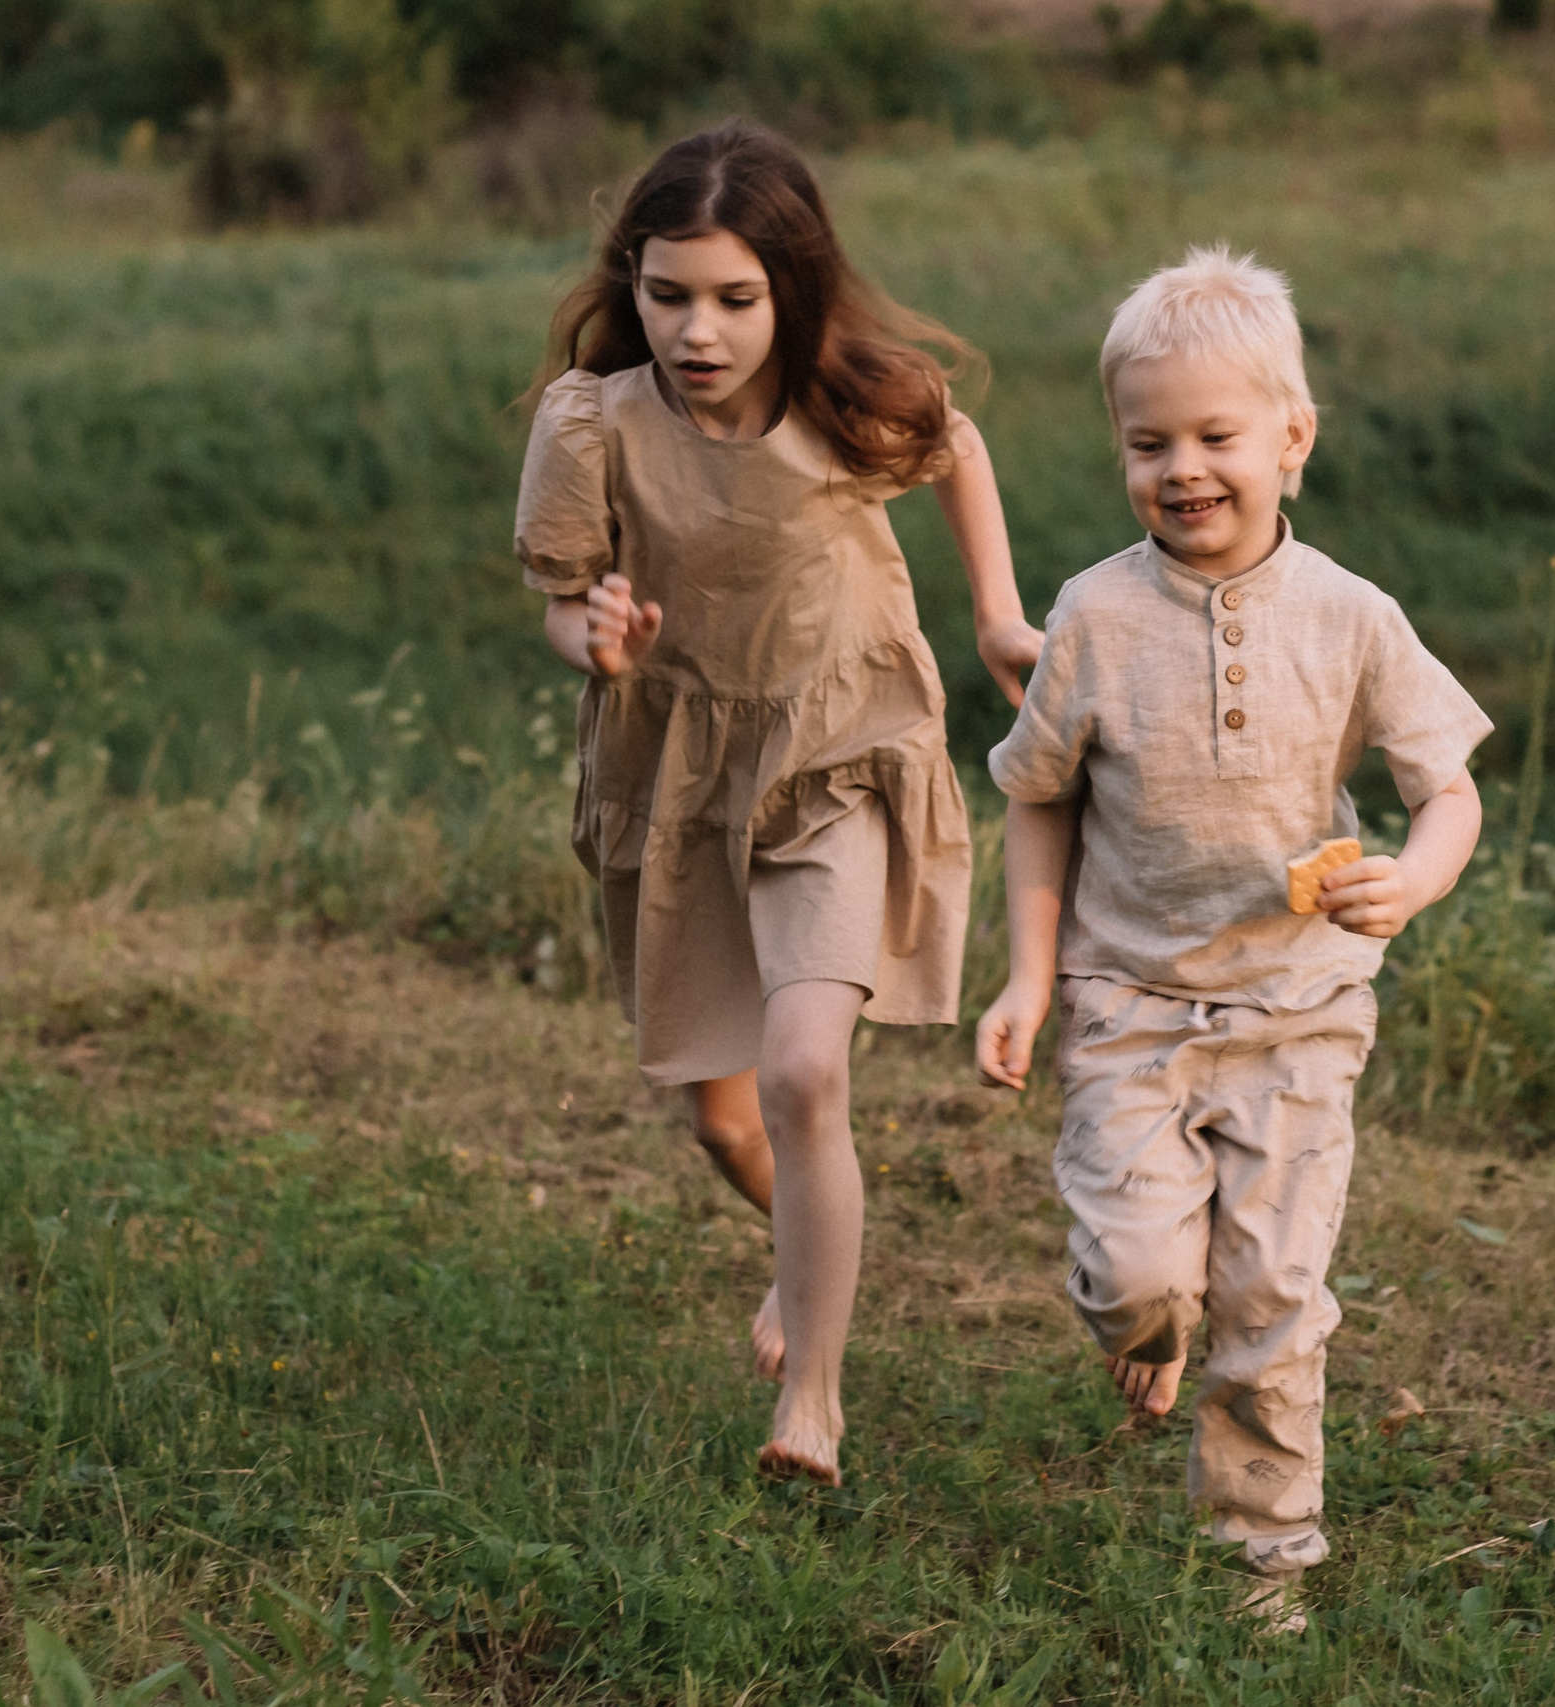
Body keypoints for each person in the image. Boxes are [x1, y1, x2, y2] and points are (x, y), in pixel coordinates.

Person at [513, 121, 1043, 1485]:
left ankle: (813, 1399)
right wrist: (600, 636)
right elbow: (564, 609)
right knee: (728, 1120)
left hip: (840, 753)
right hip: (683, 769)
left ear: (789, 291)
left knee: (809, 1073)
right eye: (667, 294)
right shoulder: (595, 422)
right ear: (630, 284)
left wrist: (997, 614)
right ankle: (799, 1257)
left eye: (734, 299)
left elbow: (960, 445)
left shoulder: (841, 396)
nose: (698, 330)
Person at [974, 246, 1490, 1626]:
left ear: (1293, 440)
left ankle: (1264, 1556)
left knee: (1275, 1297)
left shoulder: (1349, 615)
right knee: (1138, 1279)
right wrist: (1028, 979)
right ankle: (1148, 1323)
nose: (1182, 467)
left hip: (1301, 1008)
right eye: (1150, 442)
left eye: (1215, 436)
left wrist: (1415, 878)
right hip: (1128, 1001)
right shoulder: (1094, 614)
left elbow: (1449, 786)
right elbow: (1036, 801)